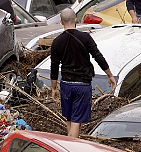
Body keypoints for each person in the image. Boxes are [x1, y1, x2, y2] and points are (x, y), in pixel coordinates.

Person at [50, 8, 116, 138]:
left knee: (69, 118)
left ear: (61, 22)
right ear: (75, 20)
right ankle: (71, 148)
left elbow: (54, 67)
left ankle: (70, 144)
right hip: (82, 85)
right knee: (76, 121)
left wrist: (53, 88)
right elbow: (98, 57)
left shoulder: (57, 42)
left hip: (66, 84)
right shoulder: (85, 37)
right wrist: (109, 75)